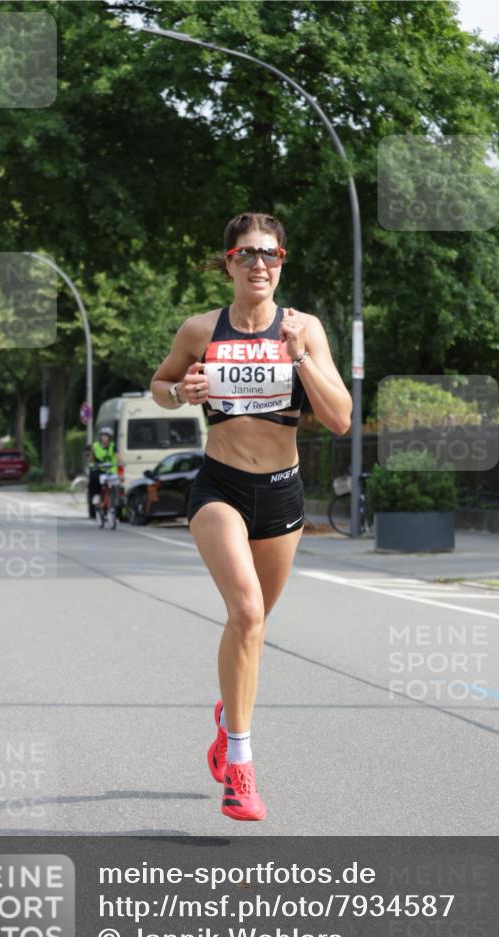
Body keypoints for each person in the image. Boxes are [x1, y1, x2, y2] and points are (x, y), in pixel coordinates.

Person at [150, 212, 352, 821]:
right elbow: (159, 384)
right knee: (246, 610)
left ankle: (224, 717)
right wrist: (181, 392)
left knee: (255, 629)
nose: (258, 263)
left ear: (282, 261)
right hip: (220, 487)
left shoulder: (305, 328)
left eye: (270, 253)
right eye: (246, 255)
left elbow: (341, 418)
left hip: (284, 494)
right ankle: (240, 766)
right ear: (229, 262)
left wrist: (301, 359)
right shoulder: (200, 328)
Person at [88, 426, 118, 515]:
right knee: (94, 477)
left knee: (117, 484)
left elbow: (118, 458)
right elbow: (90, 459)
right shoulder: (95, 446)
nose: (104, 438)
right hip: (99, 469)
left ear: (109, 438)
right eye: (103, 436)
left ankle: (114, 503)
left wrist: (121, 464)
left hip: (111, 470)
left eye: (106, 436)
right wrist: (90, 455)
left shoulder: (113, 446)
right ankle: (96, 497)